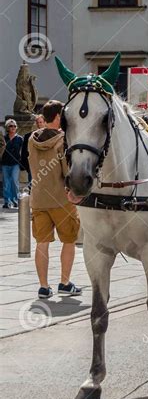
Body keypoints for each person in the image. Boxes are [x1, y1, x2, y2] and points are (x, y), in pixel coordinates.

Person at [28, 100, 81, 299]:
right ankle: (64, 282)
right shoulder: (62, 140)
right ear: (58, 117)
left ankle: (43, 286)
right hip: (61, 199)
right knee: (69, 240)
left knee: (42, 244)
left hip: (39, 198)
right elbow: (67, 171)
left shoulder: (32, 139)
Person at [1, 119, 23, 209]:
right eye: (11, 126)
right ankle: (7, 201)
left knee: (14, 181)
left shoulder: (20, 139)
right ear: (7, 127)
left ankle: (15, 200)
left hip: (15, 164)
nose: (13, 127)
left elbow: (23, 152)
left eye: (14, 126)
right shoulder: (3, 138)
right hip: (5, 163)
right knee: (6, 183)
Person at [21, 113, 46, 187]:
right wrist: (27, 166)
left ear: (44, 123)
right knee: (32, 187)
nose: (39, 124)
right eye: (37, 122)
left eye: (41, 122)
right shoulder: (28, 136)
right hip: (32, 166)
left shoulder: (50, 135)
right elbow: (24, 153)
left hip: (47, 166)